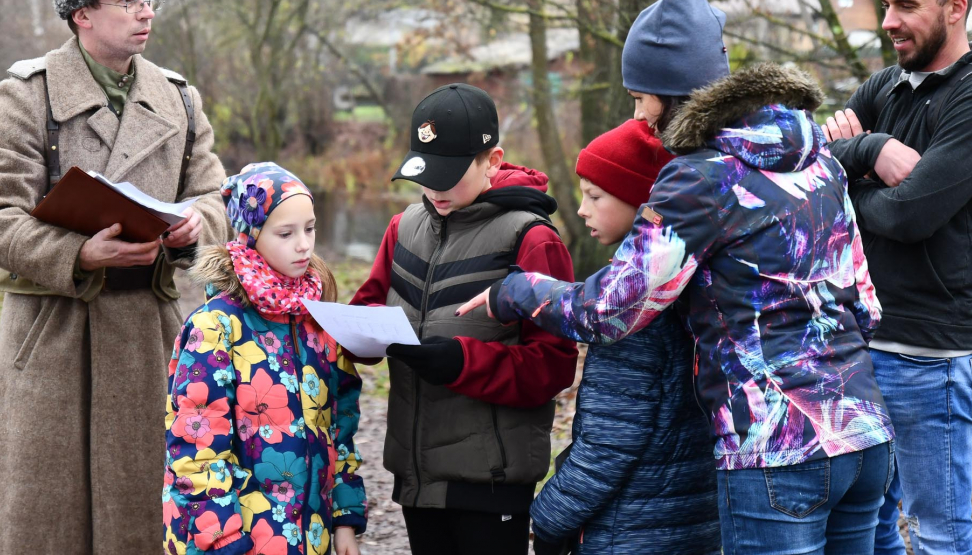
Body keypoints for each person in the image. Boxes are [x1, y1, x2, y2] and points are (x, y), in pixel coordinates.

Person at [460, 0, 894, 555]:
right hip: (863, 434)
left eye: (642, 97)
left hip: (777, 450)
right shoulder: (820, 161)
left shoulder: (699, 178)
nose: (638, 115)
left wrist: (518, 290)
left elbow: (611, 311)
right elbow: (867, 306)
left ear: (676, 94)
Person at [0, 0, 228, 554]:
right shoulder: (27, 95)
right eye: (126, 1)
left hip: (148, 335)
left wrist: (197, 223)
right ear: (82, 12)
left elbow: (219, 195)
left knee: (145, 517)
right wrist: (78, 251)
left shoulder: (180, 99)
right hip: (51, 335)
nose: (145, 14)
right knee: (39, 523)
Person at [820, 0, 972, 555]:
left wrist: (846, 182)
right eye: (885, 5)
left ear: (955, 7)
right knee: (871, 524)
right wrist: (868, 151)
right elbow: (810, 174)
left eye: (906, 6)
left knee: (937, 533)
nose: (888, 22)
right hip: (865, 339)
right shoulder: (887, 86)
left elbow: (910, 215)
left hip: (931, 353)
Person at [349, 83, 578, 555]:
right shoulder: (402, 227)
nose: (434, 189)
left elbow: (554, 366)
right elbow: (366, 307)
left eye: (449, 175)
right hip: (415, 475)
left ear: (493, 161)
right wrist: (363, 334)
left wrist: (461, 362)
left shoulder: (533, 241)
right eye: (425, 174)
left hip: (491, 481)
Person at [529, 119, 719, 555]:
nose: (581, 209)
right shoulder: (693, 284)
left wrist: (547, 519)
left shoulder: (628, 310)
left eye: (595, 195)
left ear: (643, 202)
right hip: (690, 521)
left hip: (628, 528)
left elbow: (609, 445)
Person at [164, 162, 366, 555]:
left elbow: (340, 428)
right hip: (239, 539)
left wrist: (344, 520)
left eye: (310, 229)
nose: (304, 244)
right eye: (286, 233)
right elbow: (196, 448)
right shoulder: (217, 328)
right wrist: (222, 541)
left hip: (312, 534)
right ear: (250, 236)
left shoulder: (317, 319)